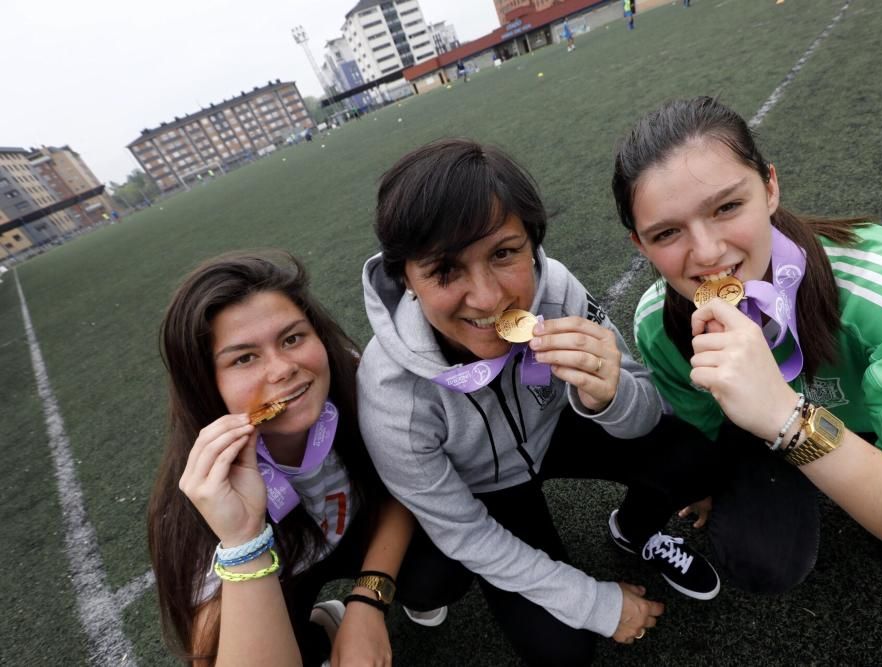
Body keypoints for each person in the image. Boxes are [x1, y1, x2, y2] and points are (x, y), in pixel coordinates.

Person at [612, 96, 882, 656]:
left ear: (770, 187)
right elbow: (701, 432)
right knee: (762, 559)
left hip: (876, 440)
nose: (707, 252)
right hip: (764, 443)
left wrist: (791, 421)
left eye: (726, 207)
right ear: (640, 245)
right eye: (667, 233)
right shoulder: (659, 321)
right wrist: (708, 483)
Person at [358, 138, 724, 665]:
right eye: (445, 270)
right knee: (563, 651)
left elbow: (646, 409)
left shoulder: (556, 292)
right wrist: (593, 602)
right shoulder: (390, 391)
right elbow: (461, 529)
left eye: (505, 254)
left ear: (532, 242)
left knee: (696, 458)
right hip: (486, 490)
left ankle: (634, 530)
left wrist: (609, 395)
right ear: (405, 279)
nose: (488, 298)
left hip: (558, 429)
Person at [148, 251, 442, 666]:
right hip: (283, 572)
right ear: (204, 384)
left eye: (292, 338)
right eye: (244, 358)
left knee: (438, 571)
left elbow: (404, 486)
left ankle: (392, 596)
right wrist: (242, 538)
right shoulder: (201, 491)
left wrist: (369, 600)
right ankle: (320, 627)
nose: (283, 368)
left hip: (360, 530)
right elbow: (209, 652)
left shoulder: (355, 383)